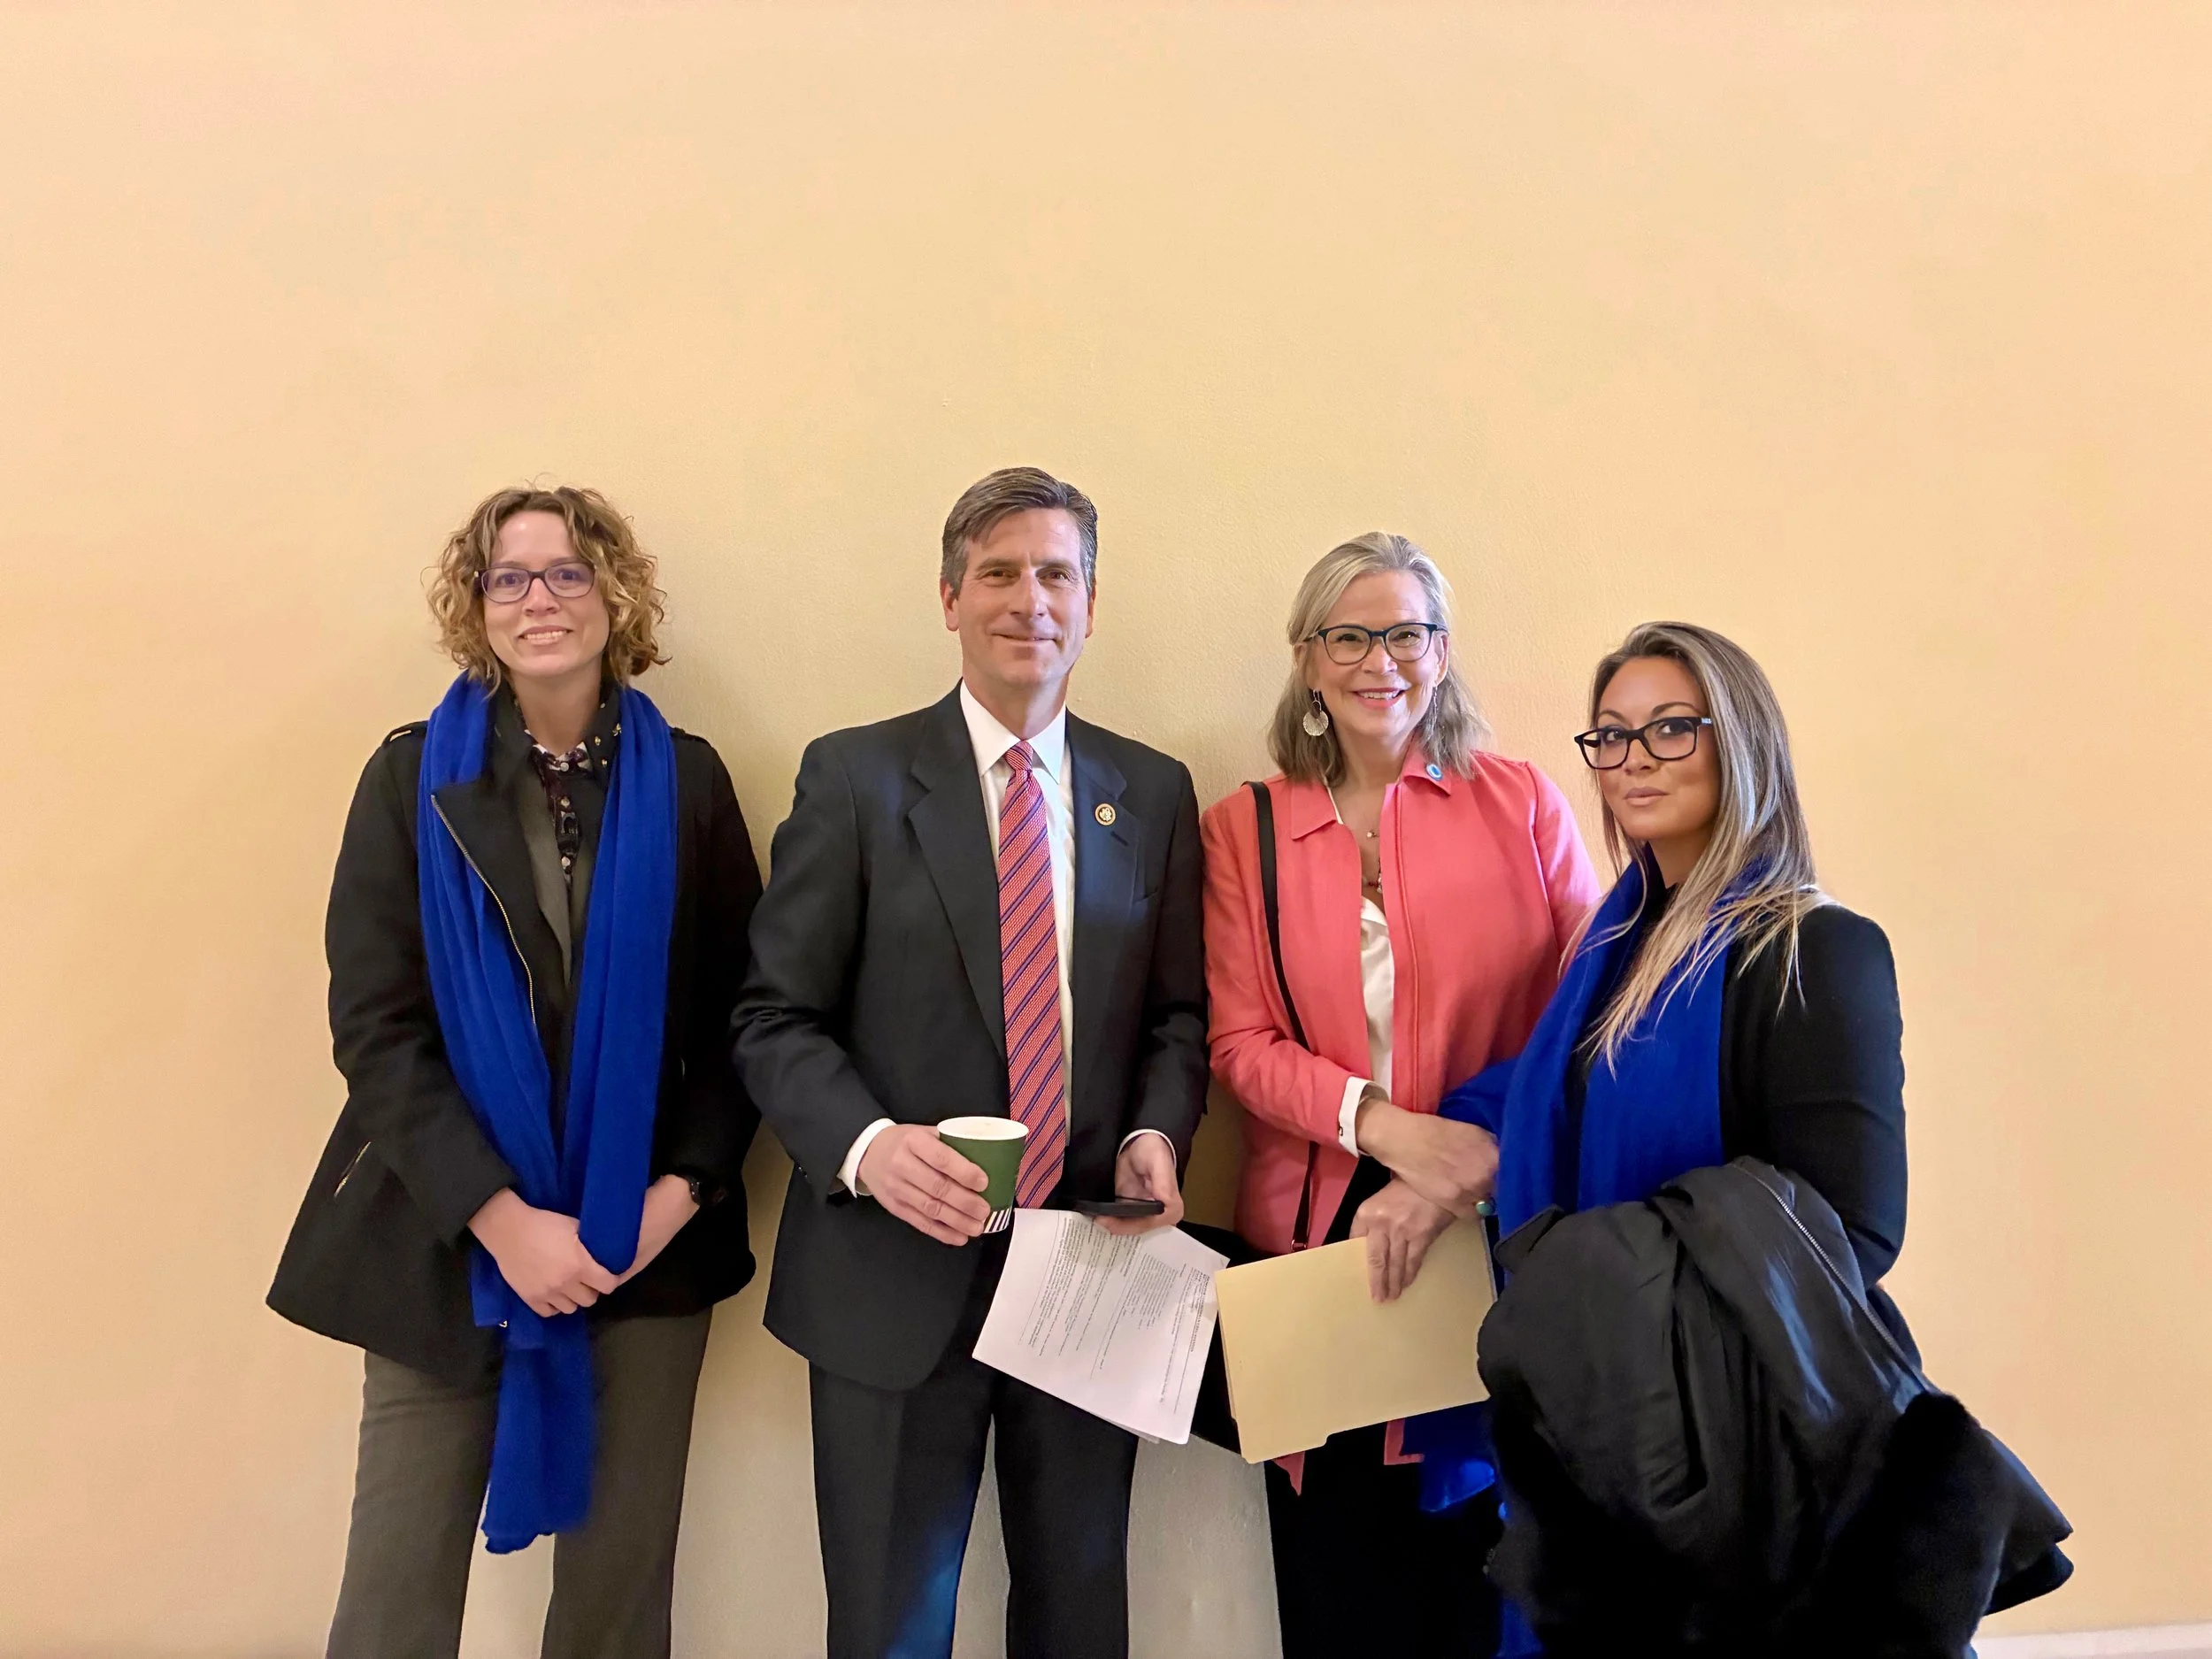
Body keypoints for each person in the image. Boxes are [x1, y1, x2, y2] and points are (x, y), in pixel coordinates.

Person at [266, 486, 763, 1659]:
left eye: (567, 572)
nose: (540, 598)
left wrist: (669, 1199)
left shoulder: (688, 782)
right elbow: (376, 1027)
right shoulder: (408, 780)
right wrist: (502, 1218)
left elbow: (745, 1017)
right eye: (510, 576)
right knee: (393, 1602)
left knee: (617, 1604)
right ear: (476, 605)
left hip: (637, 1247)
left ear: (612, 594)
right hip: (446, 1241)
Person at [732, 466, 1210, 1659]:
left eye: (1056, 573)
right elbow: (772, 1016)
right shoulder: (854, 777)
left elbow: (1176, 1016)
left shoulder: (1148, 793)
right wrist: (869, 1147)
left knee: (1080, 1616)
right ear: (949, 596)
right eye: (998, 571)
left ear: (1091, 604)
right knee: (890, 1627)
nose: (1028, 598)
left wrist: (1158, 1133)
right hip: (891, 1277)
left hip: (1088, 1271)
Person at [1447, 620, 1914, 1654]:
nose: (1631, 761)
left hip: (1733, 1431)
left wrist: (1594, 1270)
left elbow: (1856, 1226)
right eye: (1608, 736)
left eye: (1668, 730)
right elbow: (1540, 1097)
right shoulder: (1611, 948)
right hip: (1593, 1413)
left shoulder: (1813, 950)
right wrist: (1414, 1150)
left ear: (1737, 740)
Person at [1198, 532, 1600, 1658]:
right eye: (1350, 635)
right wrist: (1384, 1130)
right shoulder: (1245, 830)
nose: (1383, 660)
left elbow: (1595, 1015)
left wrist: (1448, 1170)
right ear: (1308, 659)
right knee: (1338, 1592)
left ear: (1441, 649)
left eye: (1407, 633)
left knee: (1485, 1583)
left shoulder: (1520, 803)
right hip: (1322, 1258)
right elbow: (1239, 1041)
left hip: (1496, 1232)